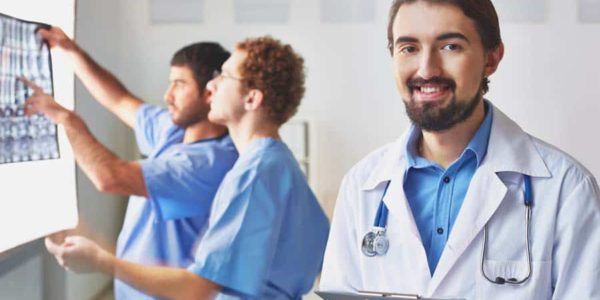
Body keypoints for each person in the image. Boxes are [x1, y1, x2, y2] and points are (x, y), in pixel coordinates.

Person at [319, 0, 600, 299]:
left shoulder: (567, 189)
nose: (426, 70)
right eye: (409, 48)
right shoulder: (361, 187)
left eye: (450, 46)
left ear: (491, 58)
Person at [44, 36, 330, 299]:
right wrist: (69, 49)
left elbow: (196, 287)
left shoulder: (253, 173)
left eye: (224, 77)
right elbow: (120, 101)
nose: (211, 86)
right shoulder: (277, 164)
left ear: (252, 99)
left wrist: (100, 261)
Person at [26, 27, 238, 299]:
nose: (168, 95)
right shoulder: (174, 131)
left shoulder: (211, 162)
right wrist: (70, 50)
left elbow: (109, 177)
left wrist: (66, 119)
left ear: (210, 93)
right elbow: (120, 99)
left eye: (180, 85)